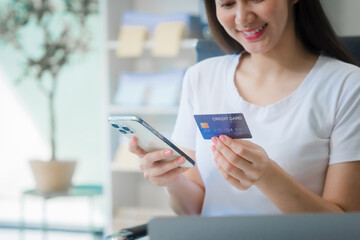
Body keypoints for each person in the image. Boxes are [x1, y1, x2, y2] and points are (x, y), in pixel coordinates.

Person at [129, 0, 360, 216]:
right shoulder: (201, 77)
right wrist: (172, 181)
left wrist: (267, 176)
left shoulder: (347, 86)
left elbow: (342, 224)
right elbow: (194, 210)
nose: (243, 18)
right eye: (228, 3)